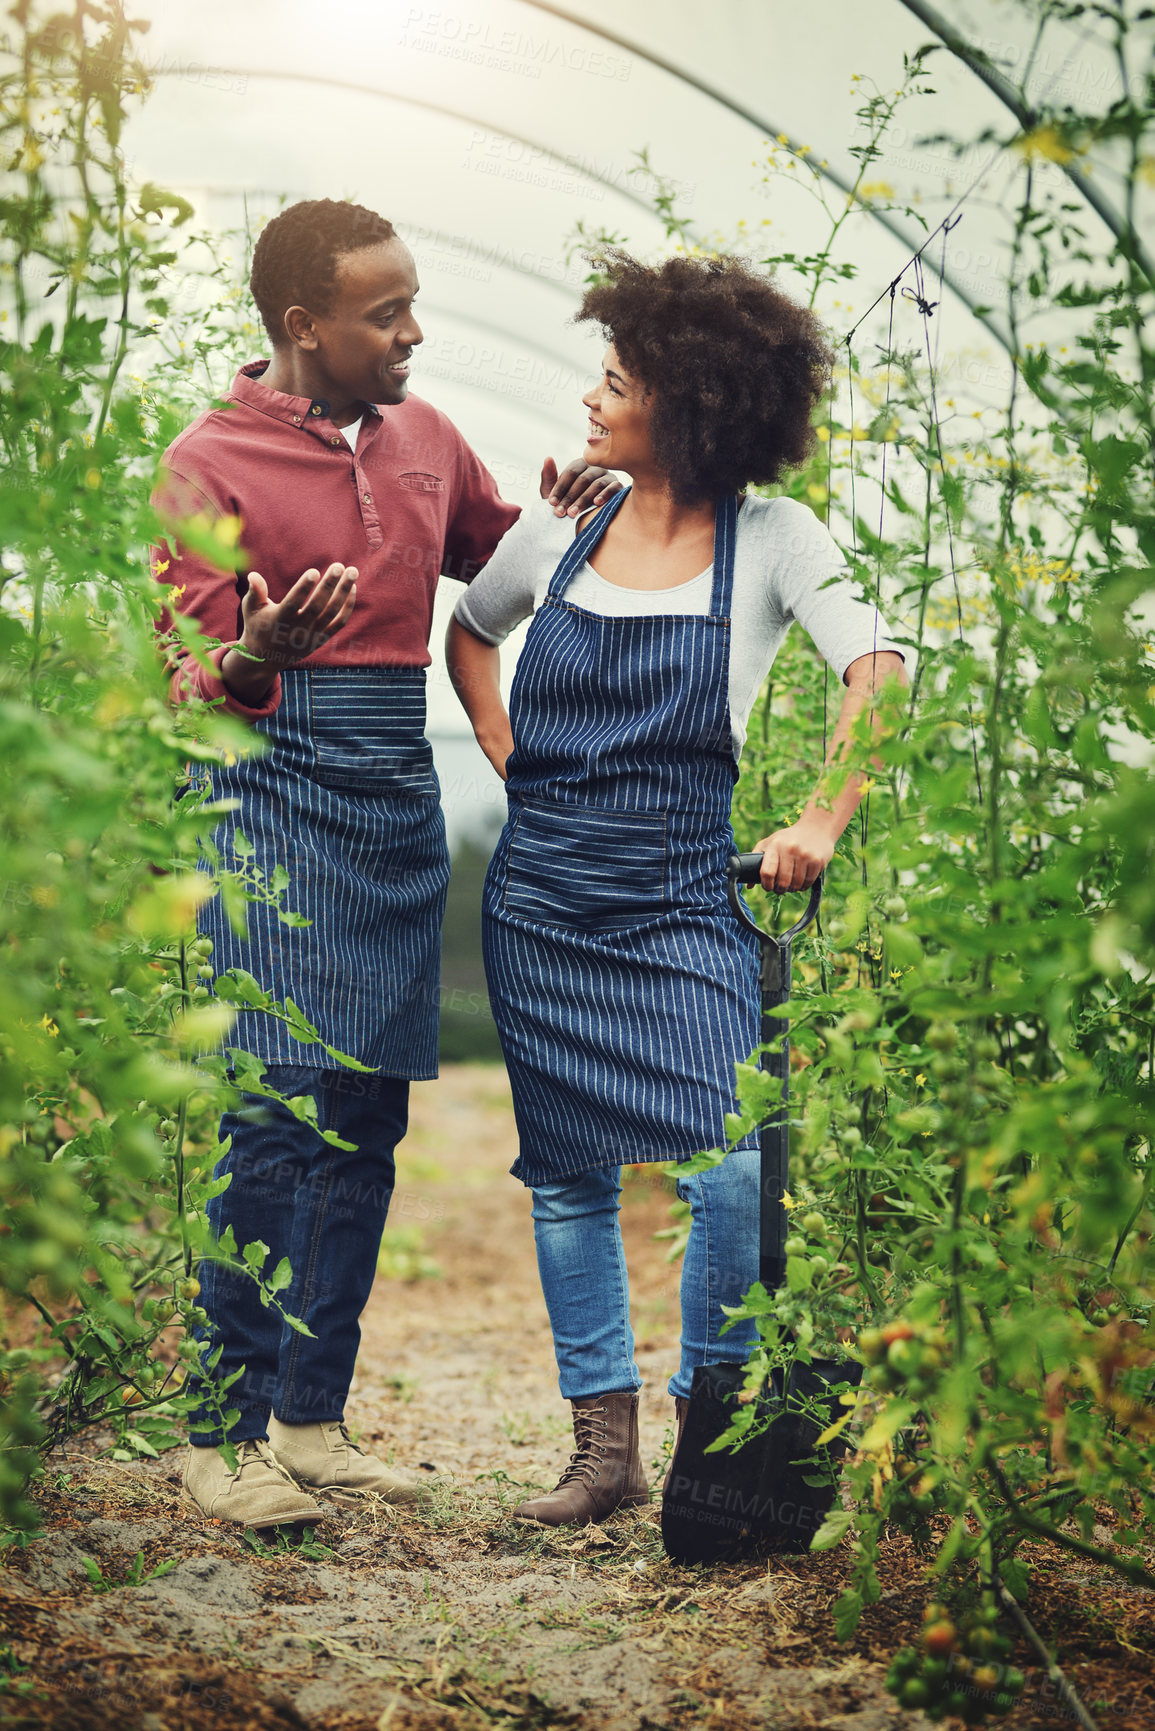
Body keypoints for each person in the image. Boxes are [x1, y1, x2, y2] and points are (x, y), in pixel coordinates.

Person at [154, 199, 617, 1528]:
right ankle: (215, 1430)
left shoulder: (424, 440)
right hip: (264, 792)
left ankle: (308, 1418)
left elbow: (493, 570)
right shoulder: (206, 463)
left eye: (412, 302)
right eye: (383, 312)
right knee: (272, 1103)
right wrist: (262, 654)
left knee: (363, 1112)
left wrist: (560, 517)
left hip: (390, 798)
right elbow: (194, 676)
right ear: (305, 326)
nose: (412, 330)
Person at [446, 250, 910, 1526]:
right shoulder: (566, 519)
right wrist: (503, 752)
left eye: (617, 380)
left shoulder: (771, 540)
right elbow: (472, 632)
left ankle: (722, 1427)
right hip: (542, 900)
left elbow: (878, 666)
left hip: (678, 902)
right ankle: (604, 1451)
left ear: (692, 403)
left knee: (730, 1166)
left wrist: (820, 816)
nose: (592, 401)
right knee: (567, 1173)